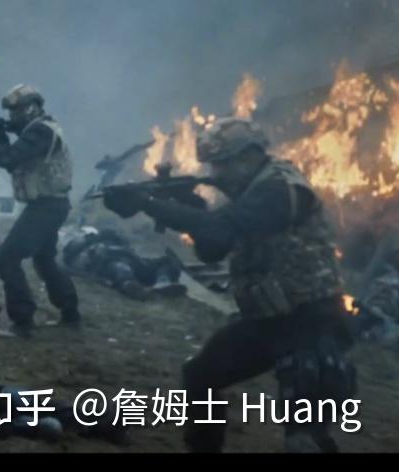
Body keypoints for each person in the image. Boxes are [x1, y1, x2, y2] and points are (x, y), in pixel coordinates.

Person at [103, 117, 356, 453]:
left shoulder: (281, 188)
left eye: (222, 164)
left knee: (304, 438)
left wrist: (149, 205)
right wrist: (188, 205)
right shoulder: (246, 193)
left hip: (312, 321)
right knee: (200, 376)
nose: (216, 173)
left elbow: (221, 228)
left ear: (249, 156)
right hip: (269, 319)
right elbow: (212, 249)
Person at [0, 83, 81, 335]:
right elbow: (12, 156)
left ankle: (23, 322)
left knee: (7, 258)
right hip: (50, 204)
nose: (12, 116)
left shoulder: (41, 132)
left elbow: (9, 159)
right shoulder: (41, 128)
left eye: (16, 111)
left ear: (31, 108)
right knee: (44, 259)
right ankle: (70, 312)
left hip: (47, 206)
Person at [61, 227, 187, 300]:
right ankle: (130, 285)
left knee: (165, 261)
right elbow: (70, 257)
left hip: (131, 259)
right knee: (120, 267)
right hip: (108, 261)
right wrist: (91, 240)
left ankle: (163, 282)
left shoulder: (110, 237)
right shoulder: (82, 246)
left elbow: (127, 245)